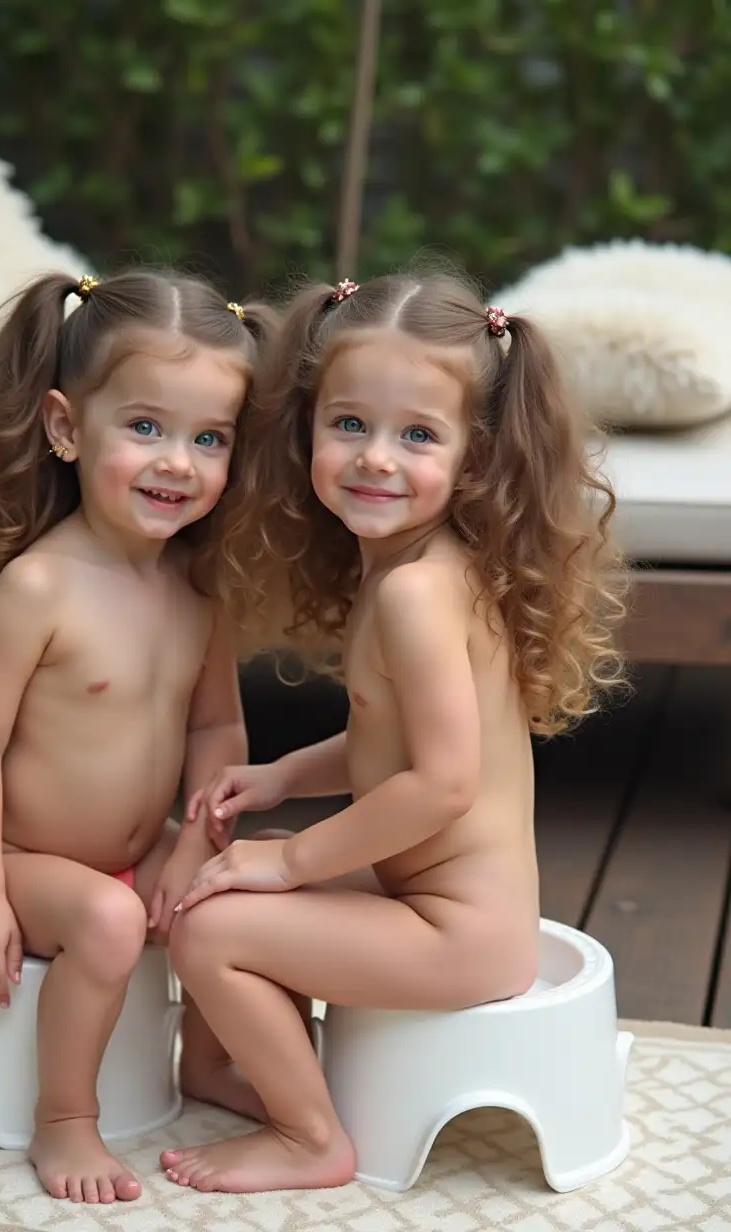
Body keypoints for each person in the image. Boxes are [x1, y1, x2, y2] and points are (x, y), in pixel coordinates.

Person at [160, 269, 627, 1194]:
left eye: (417, 435)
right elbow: (396, 751)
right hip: (441, 903)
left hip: (463, 936)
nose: (377, 457)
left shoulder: (415, 592)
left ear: (477, 457)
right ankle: (227, 1071)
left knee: (211, 933)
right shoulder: (419, 566)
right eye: (350, 425)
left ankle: (311, 1142)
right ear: (307, 430)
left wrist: (291, 867)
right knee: (260, 864)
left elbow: (443, 785)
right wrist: (286, 775)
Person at [0, 269, 274, 1204]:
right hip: (28, 857)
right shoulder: (41, 587)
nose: (178, 462)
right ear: (66, 427)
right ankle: (65, 1119)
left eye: (210, 439)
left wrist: (195, 846)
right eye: (146, 428)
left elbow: (216, 727)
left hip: (139, 848)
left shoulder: (198, 587)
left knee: (246, 883)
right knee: (115, 920)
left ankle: (208, 1064)